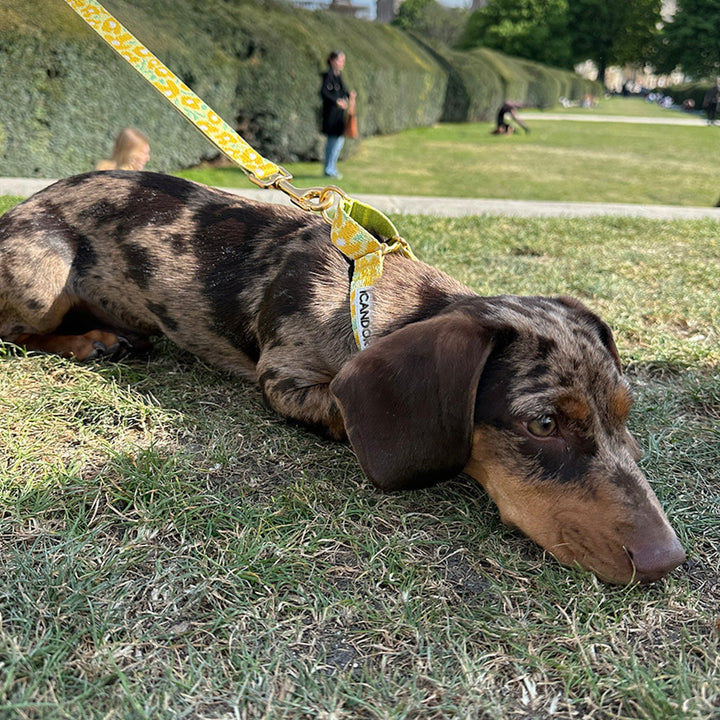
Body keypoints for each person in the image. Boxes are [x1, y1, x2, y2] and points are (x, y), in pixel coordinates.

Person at [320, 50, 355, 179]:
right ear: (333, 61)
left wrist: (349, 95)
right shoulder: (328, 76)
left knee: (337, 142)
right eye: (340, 60)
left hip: (339, 116)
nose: (342, 63)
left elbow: (343, 91)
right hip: (331, 116)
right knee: (333, 143)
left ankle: (330, 168)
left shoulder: (338, 76)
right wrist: (336, 101)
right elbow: (324, 93)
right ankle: (329, 169)